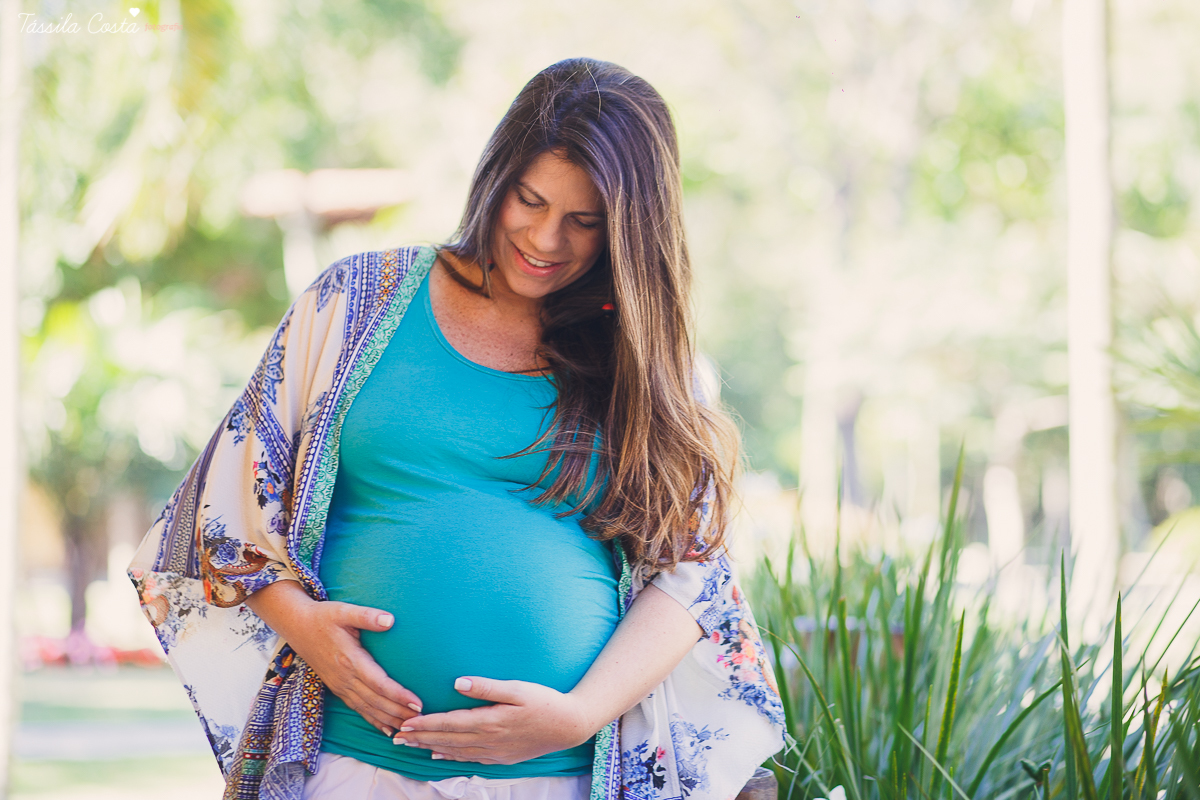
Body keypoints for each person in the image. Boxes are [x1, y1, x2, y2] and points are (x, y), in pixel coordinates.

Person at [128, 57, 784, 800]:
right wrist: (306, 627)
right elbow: (224, 511)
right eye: (528, 201)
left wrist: (576, 716)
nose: (544, 239)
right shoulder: (355, 303)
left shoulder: (649, 363)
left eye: (583, 221)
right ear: (496, 178)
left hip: (558, 779)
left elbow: (692, 573)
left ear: (631, 229)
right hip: (352, 768)